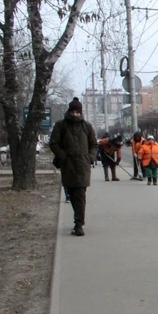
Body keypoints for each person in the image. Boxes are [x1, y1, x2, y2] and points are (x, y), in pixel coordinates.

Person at [49, 98, 98, 236]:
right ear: (69, 111)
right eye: (73, 111)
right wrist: (63, 156)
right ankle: (77, 218)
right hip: (68, 165)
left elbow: (94, 144)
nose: (75, 114)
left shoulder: (86, 126)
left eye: (77, 112)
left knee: (80, 195)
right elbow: (54, 143)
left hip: (83, 165)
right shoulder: (61, 125)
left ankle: (78, 224)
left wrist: (90, 157)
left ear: (81, 112)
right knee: (71, 193)